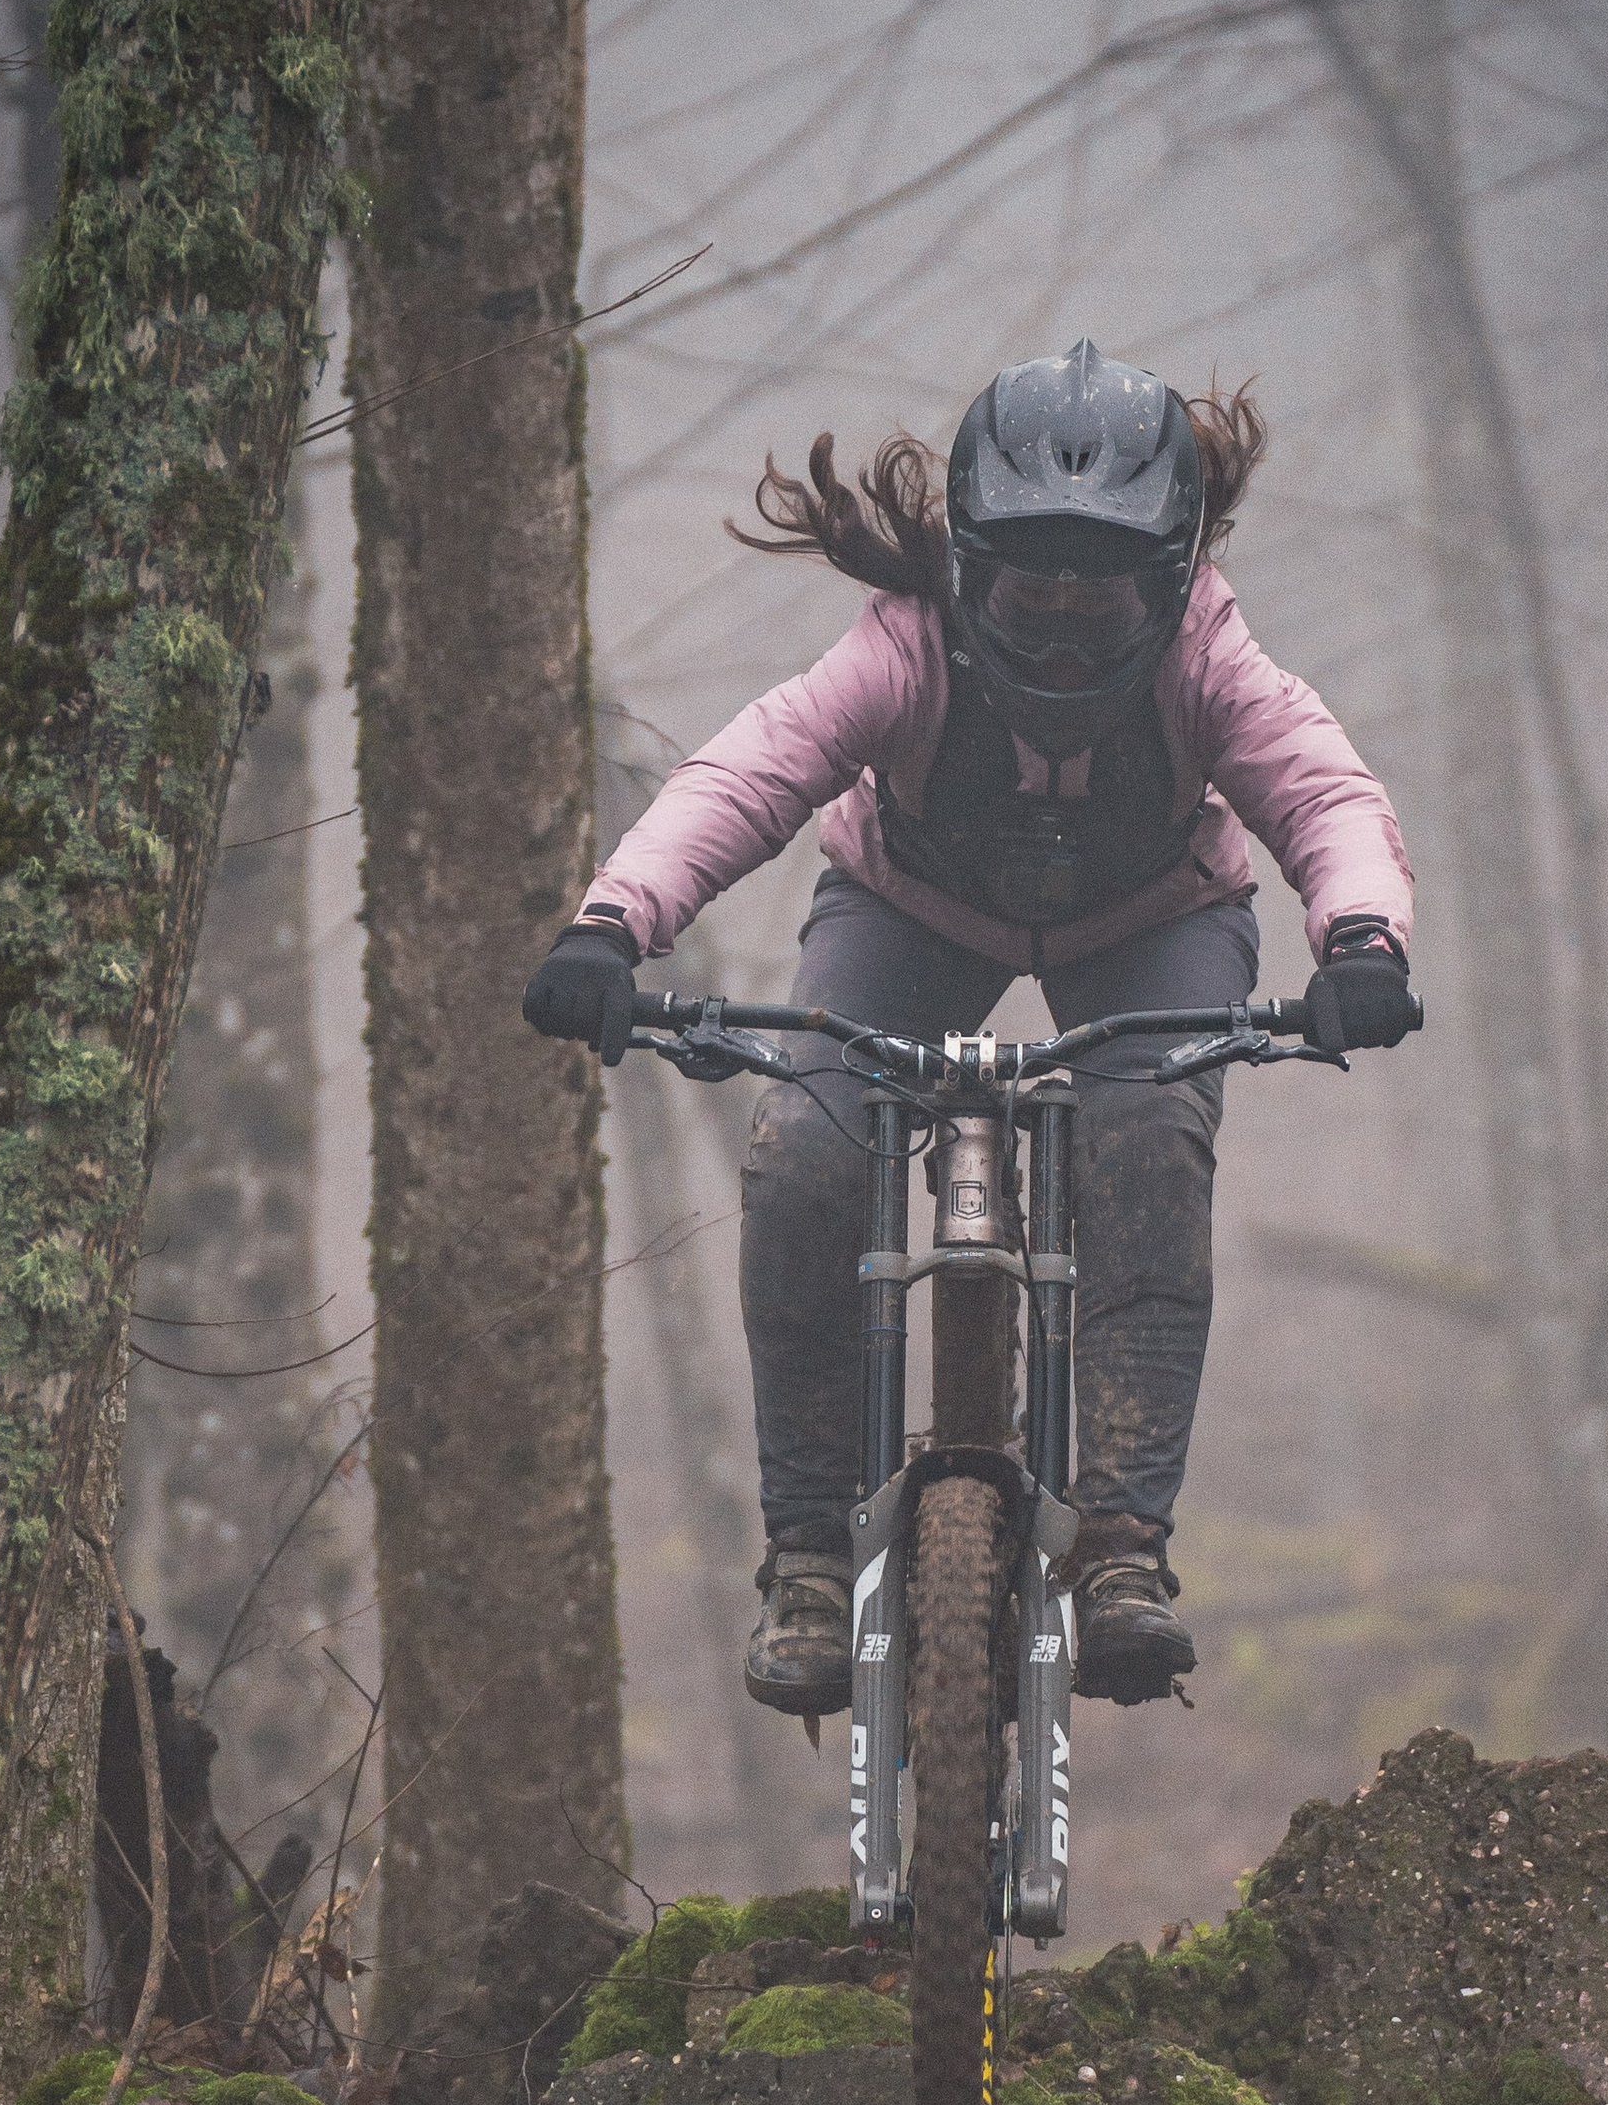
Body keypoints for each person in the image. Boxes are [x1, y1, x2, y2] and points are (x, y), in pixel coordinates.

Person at [523, 339, 1419, 1715]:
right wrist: (610, 926)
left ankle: (1120, 1547)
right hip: (911, 909)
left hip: (1152, 921)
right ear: (967, 567)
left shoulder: (1207, 659)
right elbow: (748, 773)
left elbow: (1324, 795)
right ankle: (813, 1557)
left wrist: (1360, 938)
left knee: (1146, 1131)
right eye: (1028, 588)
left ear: (1169, 582)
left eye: (1099, 597)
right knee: (807, 1155)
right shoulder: (901, 647)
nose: (1061, 626)